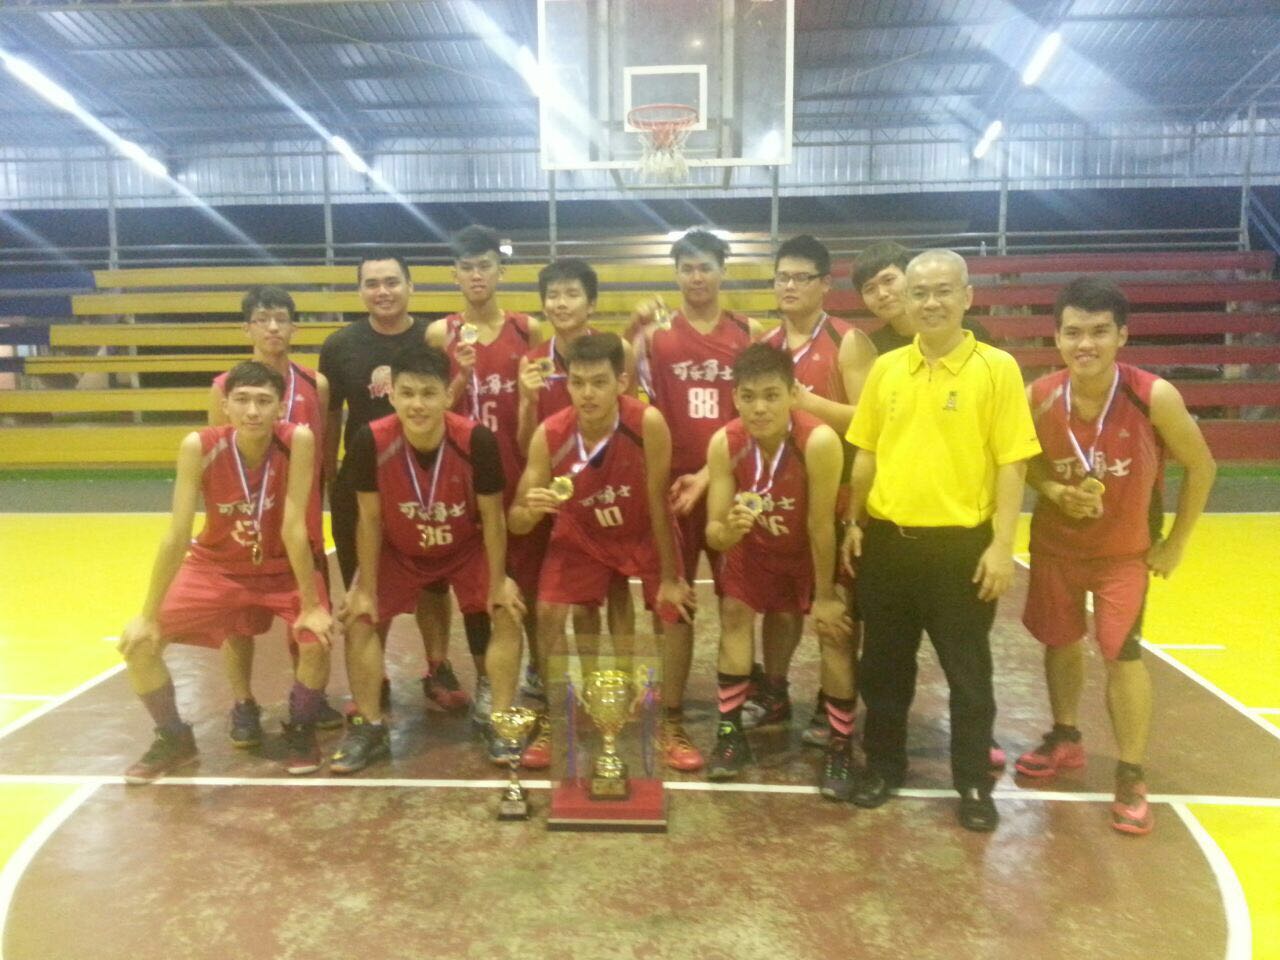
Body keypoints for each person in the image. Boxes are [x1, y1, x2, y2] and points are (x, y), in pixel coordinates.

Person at [841, 249, 1041, 832]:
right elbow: (866, 454)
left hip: (961, 551)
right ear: (907, 300)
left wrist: (1002, 546)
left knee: (968, 676)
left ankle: (973, 782)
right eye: (920, 292)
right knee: (883, 671)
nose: (931, 302)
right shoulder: (886, 369)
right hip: (889, 545)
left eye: (943, 291)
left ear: (967, 297)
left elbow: (1012, 464)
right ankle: (883, 766)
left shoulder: (997, 368)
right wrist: (854, 522)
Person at [1017, 276, 1216, 836]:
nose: (1086, 344)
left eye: (1099, 331)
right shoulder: (1038, 396)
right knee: (1059, 642)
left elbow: (1201, 466)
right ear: (1057, 337)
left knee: (1120, 653)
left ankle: (1131, 773)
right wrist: (1054, 491)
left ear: (1122, 335)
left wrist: (1175, 543)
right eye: (1074, 332)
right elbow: (1023, 461)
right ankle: (1065, 737)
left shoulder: (1153, 396)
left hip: (1122, 555)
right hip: (1056, 547)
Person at [117, 361, 332, 782]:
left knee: (316, 640)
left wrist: (311, 606)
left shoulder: (297, 440)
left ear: (280, 407)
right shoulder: (199, 445)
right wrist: (147, 613)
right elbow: (177, 534)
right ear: (226, 405)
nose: (252, 411)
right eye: (242, 400)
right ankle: (174, 737)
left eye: (264, 401)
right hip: (217, 567)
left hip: (282, 567)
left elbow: (294, 527)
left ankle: (301, 731)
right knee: (139, 645)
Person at [330, 344, 526, 772]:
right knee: (359, 618)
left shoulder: (477, 440)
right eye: (407, 393)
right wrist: (364, 588)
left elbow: (493, 517)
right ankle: (369, 726)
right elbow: (369, 519)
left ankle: (500, 719)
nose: (417, 404)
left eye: (428, 393)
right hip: (399, 550)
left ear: (448, 395)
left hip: (465, 547)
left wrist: (499, 582)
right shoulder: (370, 441)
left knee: (507, 611)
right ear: (392, 395)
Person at [508, 333, 695, 770]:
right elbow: (516, 519)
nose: (587, 393)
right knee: (548, 611)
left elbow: (658, 502)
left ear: (621, 382)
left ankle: (670, 720)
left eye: (598, 382)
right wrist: (531, 511)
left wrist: (671, 579)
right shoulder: (550, 434)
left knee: (676, 609)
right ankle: (557, 716)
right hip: (582, 536)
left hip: (642, 530)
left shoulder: (647, 423)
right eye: (577, 383)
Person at [630, 228, 763, 770]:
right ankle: (671, 719)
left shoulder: (749, 333)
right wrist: (632, 326)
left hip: (729, 483)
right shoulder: (656, 338)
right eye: (687, 268)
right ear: (676, 274)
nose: (697, 277)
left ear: (723, 270)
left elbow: (758, 411)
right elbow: (623, 392)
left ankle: (733, 718)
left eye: (706, 266)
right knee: (674, 606)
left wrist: (713, 473)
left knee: (737, 604)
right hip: (673, 491)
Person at [703, 344, 855, 797]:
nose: (760, 408)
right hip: (755, 548)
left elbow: (821, 525)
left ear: (792, 394)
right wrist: (728, 531)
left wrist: (825, 596)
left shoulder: (819, 441)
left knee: (834, 632)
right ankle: (729, 734)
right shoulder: (725, 443)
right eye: (748, 396)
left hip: (810, 548)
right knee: (733, 613)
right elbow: (714, 531)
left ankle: (840, 746)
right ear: (735, 397)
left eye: (771, 395)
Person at [319, 256, 464, 715]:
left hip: (426, 477)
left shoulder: (433, 338)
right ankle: (373, 675)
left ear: (410, 286)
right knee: (364, 582)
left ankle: (437, 666)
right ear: (360, 290)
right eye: (372, 283)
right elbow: (331, 416)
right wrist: (328, 475)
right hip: (362, 478)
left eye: (392, 282)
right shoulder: (340, 345)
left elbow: (452, 397)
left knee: (434, 582)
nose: (382, 291)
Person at [747, 234, 876, 744]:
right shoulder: (765, 346)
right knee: (779, 605)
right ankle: (775, 692)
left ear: (825, 284)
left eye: (801, 278)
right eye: (782, 277)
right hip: (780, 495)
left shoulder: (848, 341)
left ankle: (832, 703)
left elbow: (872, 422)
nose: (790, 286)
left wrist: (808, 405)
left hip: (837, 492)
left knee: (836, 607)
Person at [209, 286, 343, 741]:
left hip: (301, 521)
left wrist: (322, 500)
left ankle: (307, 697)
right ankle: (243, 703)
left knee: (308, 612)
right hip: (247, 525)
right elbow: (218, 457)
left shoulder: (315, 384)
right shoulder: (225, 388)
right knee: (237, 621)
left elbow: (323, 450)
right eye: (262, 319)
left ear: (294, 327)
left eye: (281, 319)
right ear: (246, 328)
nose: (272, 328)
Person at [427, 226, 544, 715]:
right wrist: (462, 377)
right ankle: (484, 678)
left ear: (501, 271)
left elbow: (540, 403)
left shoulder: (529, 329)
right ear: (454, 275)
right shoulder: (440, 334)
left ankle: (538, 666)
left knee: (529, 579)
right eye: (467, 267)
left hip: (518, 471)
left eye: (485, 266)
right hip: (462, 478)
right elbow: (431, 407)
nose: (477, 275)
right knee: (477, 586)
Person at [515, 258, 636, 640]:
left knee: (616, 586)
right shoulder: (532, 362)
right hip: (556, 487)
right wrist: (527, 401)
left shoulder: (617, 349)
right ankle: (546, 666)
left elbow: (630, 422)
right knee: (554, 590)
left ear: (591, 303)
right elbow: (525, 445)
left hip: (605, 482)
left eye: (572, 294)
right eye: (553, 295)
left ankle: (621, 671)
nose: (561, 303)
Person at [852, 241, 992, 353]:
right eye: (869, 289)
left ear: (911, 277)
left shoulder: (967, 331)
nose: (882, 294)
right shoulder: (875, 346)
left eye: (888, 280)